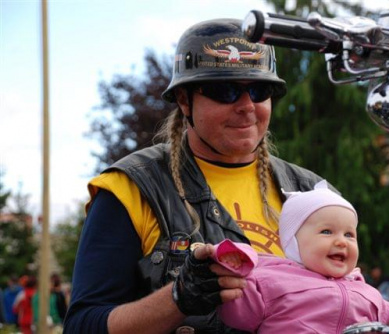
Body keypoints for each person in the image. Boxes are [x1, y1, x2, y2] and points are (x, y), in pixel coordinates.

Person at [64, 18, 335, 334]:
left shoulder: (311, 191)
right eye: (226, 91)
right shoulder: (131, 187)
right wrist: (177, 299)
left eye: (261, 90)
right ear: (184, 100)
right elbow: (82, 326)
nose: (247, 106)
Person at [209, 180, 389, 332]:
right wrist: (234, 263)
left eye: (349, 234)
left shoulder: (368, 292)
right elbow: (235, 315)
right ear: (293, 241)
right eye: (326, 231)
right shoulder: (270, 281)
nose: (342, 242)